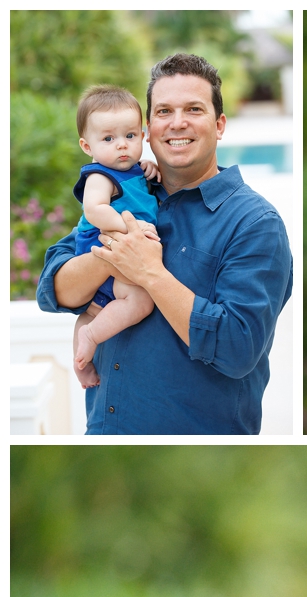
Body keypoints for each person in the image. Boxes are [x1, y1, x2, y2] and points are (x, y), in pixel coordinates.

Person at [37, 53, 292, 435]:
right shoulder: (128, 195)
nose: (177, 123)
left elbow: (238, 349)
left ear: (219, 125)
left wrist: (151, 274)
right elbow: (53, 290)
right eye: (163, 111)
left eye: (194, 109)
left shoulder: (255, 224)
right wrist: (111, 258)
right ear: (149, 128)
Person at [71, 86, 162, 387]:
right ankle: (91, 336)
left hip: (118, 246)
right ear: (87, 145)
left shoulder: (134, 170)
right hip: (102, 243)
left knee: (94, 309)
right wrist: (130, 228)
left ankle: (82, 362)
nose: (122, 145)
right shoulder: (100, 176)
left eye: (130, 135)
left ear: (143, 135)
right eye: (108, 139)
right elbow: (95, 209)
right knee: (140, 300)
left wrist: (148, 167)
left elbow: (136, 187)